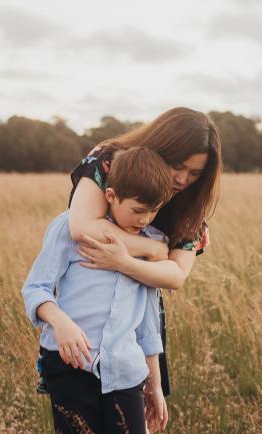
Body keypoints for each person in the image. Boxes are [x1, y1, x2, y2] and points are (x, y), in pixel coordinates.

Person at [68, 107, 222, 396]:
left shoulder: (191, 206)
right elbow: (83, 226)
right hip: (85, 311)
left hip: (138, 321)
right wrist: (152, 248)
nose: (182, 179)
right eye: (178, 165)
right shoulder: (109, 159)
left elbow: (175, 275)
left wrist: (124, 262)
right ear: (161, 147)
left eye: (194, 173)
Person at [22, 147, 173, 434]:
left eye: (154, 211)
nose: (146, 220)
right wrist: (59, 321)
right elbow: (35, 289)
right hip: (70, 364)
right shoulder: (69, 227)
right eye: (138, 210)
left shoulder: (153, 245)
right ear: (111, 196)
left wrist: (154, 385)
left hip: (125, 370)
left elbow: (149, 326)